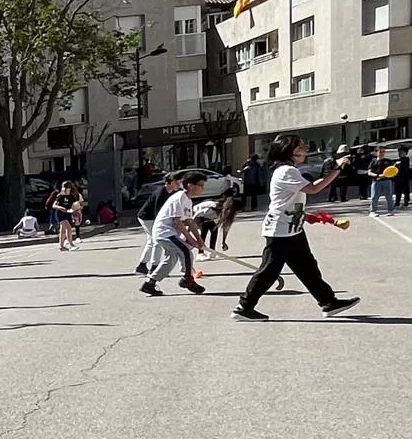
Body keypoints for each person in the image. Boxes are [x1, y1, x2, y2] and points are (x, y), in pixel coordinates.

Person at [232, 135, 361, 322]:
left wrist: (306, 216)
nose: (305, 150)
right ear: (289, 151)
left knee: (307, 267)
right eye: (301, 147)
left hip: (292, 228)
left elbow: (288, 201)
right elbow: (313, 189)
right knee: (269, 270)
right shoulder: (286, 171)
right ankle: (244, 307)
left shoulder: (288, 170)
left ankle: (328, 302)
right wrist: (337, 167)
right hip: (280, 231)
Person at [140, 172, 208, 297]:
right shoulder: (179, 197)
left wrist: (199, 239)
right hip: (164, 232)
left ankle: (149, 284)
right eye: (201, 185)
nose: (202, 189)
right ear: (190, 185)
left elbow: (189, 221)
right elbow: (177, 221)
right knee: (186, 251)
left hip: (170, 233)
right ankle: (187, 279)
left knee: (170, 259)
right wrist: (190, 239)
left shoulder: (188, 200)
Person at [134, 173, 182, 274]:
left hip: (153, 218)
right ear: (169, 183)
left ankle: (142, 266)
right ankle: (154, 267)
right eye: (176, 181)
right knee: (157, 241)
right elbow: (158, 213)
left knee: (151, 241)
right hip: (148, 218)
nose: (178, 183)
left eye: (179, 181)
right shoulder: (161, 193)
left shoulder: (171, 193)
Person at [53, 181, 85, 251]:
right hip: (60, 214)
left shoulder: (72, 196)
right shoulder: (60, 196)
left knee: (62, 230)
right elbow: (54, 205)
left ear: (69, 188)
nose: (64, 189)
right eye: (63, 187)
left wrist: (77, 209)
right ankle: (71, 244)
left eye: (66, 187)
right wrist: (60, 208)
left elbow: (75, 205)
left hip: (68, 213)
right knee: (68, 228)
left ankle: (61, 246)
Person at [368, 145, 396, 216]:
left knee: (389, 196)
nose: (382, 153)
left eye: (383, 151)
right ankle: (372, 211)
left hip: (387, 181)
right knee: (374, 197)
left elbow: (393, 171)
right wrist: (378, 175)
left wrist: (390, 175)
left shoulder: (388, 161)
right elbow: (369, 172)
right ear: (376, 152)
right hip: (376, 181)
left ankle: (391, 210)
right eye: (380, 151)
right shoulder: (373, 162)